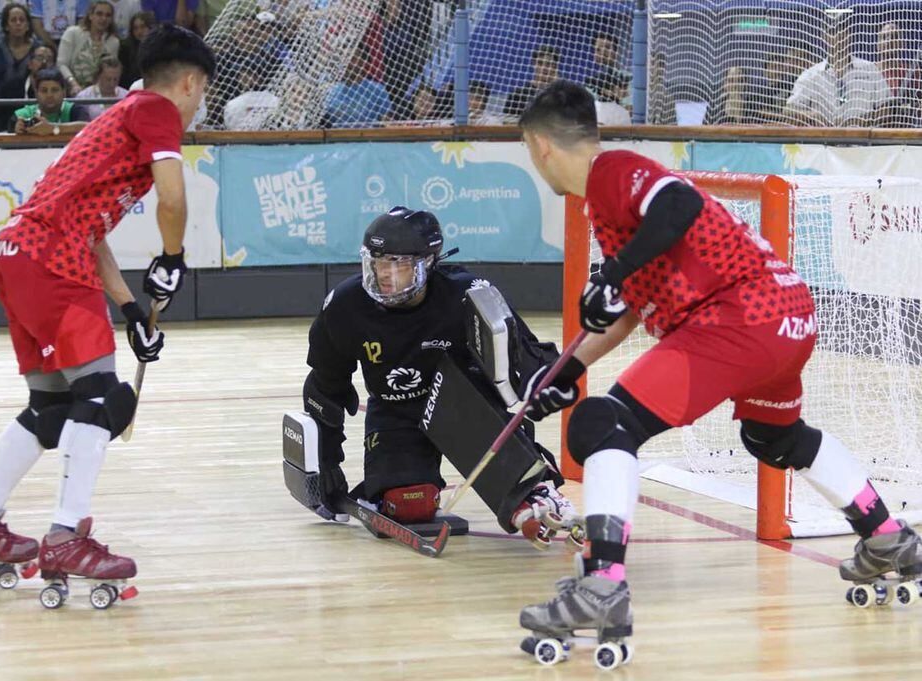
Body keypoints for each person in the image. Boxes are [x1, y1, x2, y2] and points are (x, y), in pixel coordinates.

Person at [512, 80, 922, 666]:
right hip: (787, 316)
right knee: (773, 438)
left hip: (738, 317)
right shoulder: (607, 202)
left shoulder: (610, 172)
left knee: (601, 424)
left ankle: (601, 586)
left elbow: (678, 204)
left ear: (538, 146)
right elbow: (626, 306)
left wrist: (613, 273)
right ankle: (887, 537)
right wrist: (566, 369)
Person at [0, 24, 215, 605]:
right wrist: (172, 257)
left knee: (50, 409)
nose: (199, 106)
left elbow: (91, 234)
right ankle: (66, 535)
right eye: (203, 94)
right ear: (189, 83)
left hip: (18, 253)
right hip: (50, 262)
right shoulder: (157, 110)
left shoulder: (118, 118)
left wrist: (130, 309)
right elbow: (173, 197)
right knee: (104, 398)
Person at [298, 206, 580, 549]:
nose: (384, 274)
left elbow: (523, 351)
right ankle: (398, 486)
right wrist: (326, 462)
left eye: (397, 264)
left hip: (462, 408)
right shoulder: (345, 305)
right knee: (409, 504)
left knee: (513, 473)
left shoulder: (468, 293)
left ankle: (534, 489)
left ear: (427, 263)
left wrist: (543, 381)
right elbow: (325, 387)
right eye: (377, 262)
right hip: (395, 412)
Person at [785, 16, 890, 127]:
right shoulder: (811, 75)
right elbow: (789, 110)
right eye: (833, 31)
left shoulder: (870, 69)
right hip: (821, 141)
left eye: (842, 30)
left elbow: (886, 106)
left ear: (849, 34)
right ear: (824, 37)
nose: (839, 35)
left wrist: (864, 120)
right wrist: (811, 115)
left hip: (863, 140)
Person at [57, 0, 119, 94]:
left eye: (108, 15)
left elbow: (111, 71)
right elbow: (61, 64)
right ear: (90, 16)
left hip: (99, 93)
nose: (103, 18)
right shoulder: (73, 33)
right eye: (99, 14)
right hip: (71, 89)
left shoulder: (114, 42)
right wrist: (73, 84)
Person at [10, 68, 89, 133]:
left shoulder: (75, 110)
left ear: (64, 92)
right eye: (44, 91)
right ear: (36, 93)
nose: (49, 95)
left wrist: (53, 128)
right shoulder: (22, 115)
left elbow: (88, 128)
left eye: (55, 90)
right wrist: (16, 131)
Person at [504, 44, 560, 119]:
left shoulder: (563, 95)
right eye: (540, 63)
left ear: (555, 66)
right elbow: (507, 124)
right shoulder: (518, 95)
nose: (544, 68)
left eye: (548, 64)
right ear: (533, 64)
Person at [76, 55, 127, 119]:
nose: (112, 84)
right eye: (108, 79)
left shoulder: (126, 96)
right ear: (98, 76)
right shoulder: (83, 97)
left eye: (115, 79)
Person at [117, 9, 153, 87]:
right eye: (135, 28)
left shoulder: (158, 48)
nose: (139, 31)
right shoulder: (125, 49)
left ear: (150, 27)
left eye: (142, 27)